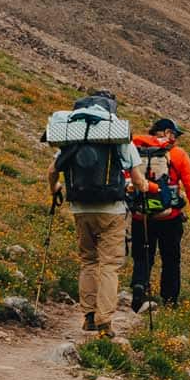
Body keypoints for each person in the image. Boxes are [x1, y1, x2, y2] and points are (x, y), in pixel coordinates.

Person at [47, 91, 148, 337]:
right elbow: (136, 178)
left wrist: (56, 189)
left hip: (80, 209)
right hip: (111, 209)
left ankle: (89, 316)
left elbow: (52, 171)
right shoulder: (116, 132)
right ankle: (105, 319)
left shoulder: (71, 134)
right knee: (109, 265)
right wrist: (142, 186)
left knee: (89, 261)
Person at [129, 118, 190, 311]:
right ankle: (170, 300)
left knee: (142, 256)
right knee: (171, 259)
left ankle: (140, 286)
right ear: (167, 132)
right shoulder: (177, 155)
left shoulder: (134, 149)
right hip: (169, 217)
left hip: (141, 215)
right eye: (175, 134)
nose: (176, 139)